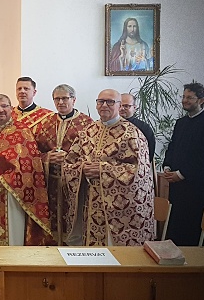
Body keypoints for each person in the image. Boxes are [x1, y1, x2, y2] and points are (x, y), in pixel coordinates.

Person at [62, 89, 155, 246]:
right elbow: (69, 163)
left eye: (110, 102)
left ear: (119, 106)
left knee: (115, 255)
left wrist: (103, 170)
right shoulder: (87, 132)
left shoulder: (132, 134)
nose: (104, 105)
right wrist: (82, 169)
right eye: (100, 101)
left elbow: (140, 172)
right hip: (91, 201)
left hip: (119, 209)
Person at [0, 94, 53, 247]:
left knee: (12, 233)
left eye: (4, 106)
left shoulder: (22, 131)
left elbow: (30, 164)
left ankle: (11, 266)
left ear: (11, 108)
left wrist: (3, 175)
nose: (0, 110)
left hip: (12, 193)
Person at [162, 82, 204, 246]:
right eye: (183, 97)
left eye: (189, 97)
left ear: (201, 100)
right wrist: (167, 166)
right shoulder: (180, 123)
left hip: (197, 188)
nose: (184, 100)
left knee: (193, 231)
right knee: (176, 229)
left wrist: (181, 174)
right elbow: (173, 147)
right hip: (177, 187)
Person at [34, 84, 93, 244]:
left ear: (73, 99)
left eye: (64, 98)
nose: (61, 102)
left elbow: (93, 154)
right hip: (50, 182)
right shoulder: (44, 123)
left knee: (73, 219)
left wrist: (69, 159)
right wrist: (47, 158)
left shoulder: (87, 124)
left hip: (75, 184)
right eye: (57, 99)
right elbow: (32, 152)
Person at [119, 93, 156, 163]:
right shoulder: (110, 125)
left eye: (126, 106)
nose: (121, 108)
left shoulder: (144, 127)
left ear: (134, 108)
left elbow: (149, 153)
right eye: (119, 105)